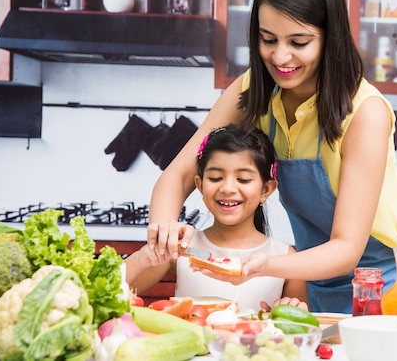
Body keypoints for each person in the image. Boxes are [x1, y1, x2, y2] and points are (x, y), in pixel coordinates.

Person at [146, 0, 397, 313]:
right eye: (268, 39)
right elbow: (178, 174)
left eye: (299, 42)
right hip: (316, 274)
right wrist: (164, 229)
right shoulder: (252, 92)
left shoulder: (365, 112)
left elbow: (347, 247)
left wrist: (262, 264)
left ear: (329, 39)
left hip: (389, 283)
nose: (280, 56)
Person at [126, 124, 308, 312]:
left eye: (243, 179)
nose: (227, 188)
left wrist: (290, 309)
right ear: (200, 185)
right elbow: (116, 288)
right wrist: (145, 254)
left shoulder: (285, 257)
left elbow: (299, 323)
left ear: (266, 190)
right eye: (215, 178)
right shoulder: (181, 249)